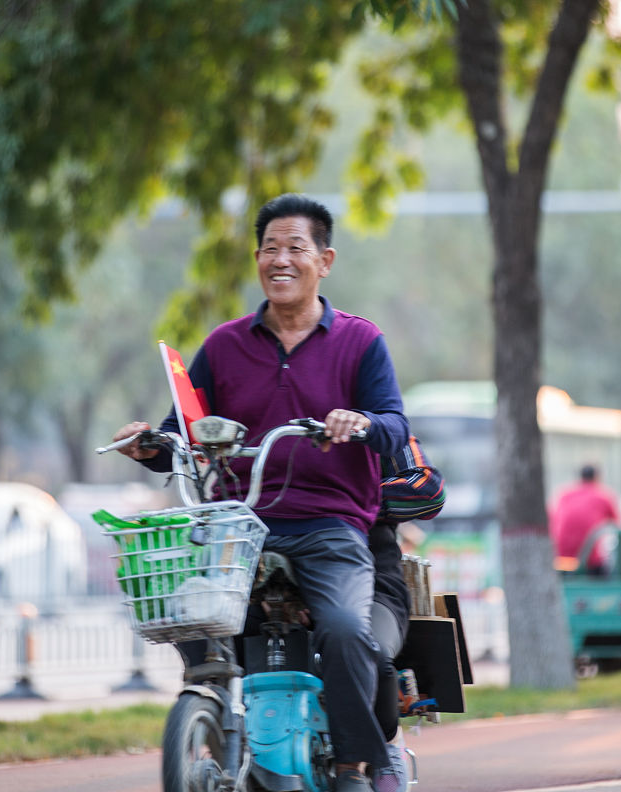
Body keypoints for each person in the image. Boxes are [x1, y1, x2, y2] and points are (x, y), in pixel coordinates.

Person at [113, 193, 409, 792]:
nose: (281, 259)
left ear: (324, 260)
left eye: (295, 248)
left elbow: (397, 427)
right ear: (256, 259)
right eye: (270, 248)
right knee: (188, 614)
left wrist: (362, 423)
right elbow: (182, 432)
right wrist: (148, 443)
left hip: (331, 525)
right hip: (238, 527)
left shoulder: (360, 342)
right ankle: (214, 717)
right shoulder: (223, 346)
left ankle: (360, 763)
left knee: (348, 633)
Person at [369, 435, 445, 792]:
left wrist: (346, 498)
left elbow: (426, 486)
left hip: (367, 574)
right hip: (262, 572)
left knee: (367, 649)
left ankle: (383, 751)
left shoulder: (373, 418)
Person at [548, 464, 621, 573]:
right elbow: (619, 525)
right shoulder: (603, 496)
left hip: (560, 560)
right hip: (589, 562)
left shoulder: (564, 495)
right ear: (597, 477)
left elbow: (553, 520)